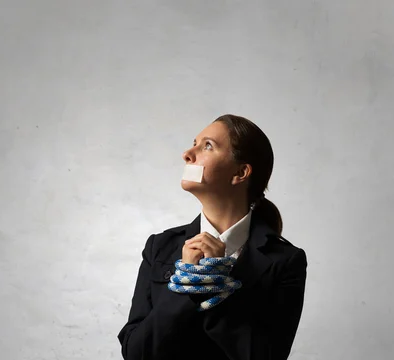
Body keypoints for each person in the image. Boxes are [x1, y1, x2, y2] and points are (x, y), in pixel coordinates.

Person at [117, 114, 308, 360]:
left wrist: (213, 284)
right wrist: (187, 282)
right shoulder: (159, 247)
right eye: (194, 142)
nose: (188, 154)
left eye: (207, 145)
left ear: (240, 172)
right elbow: (136, 353)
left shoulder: (285, 260)